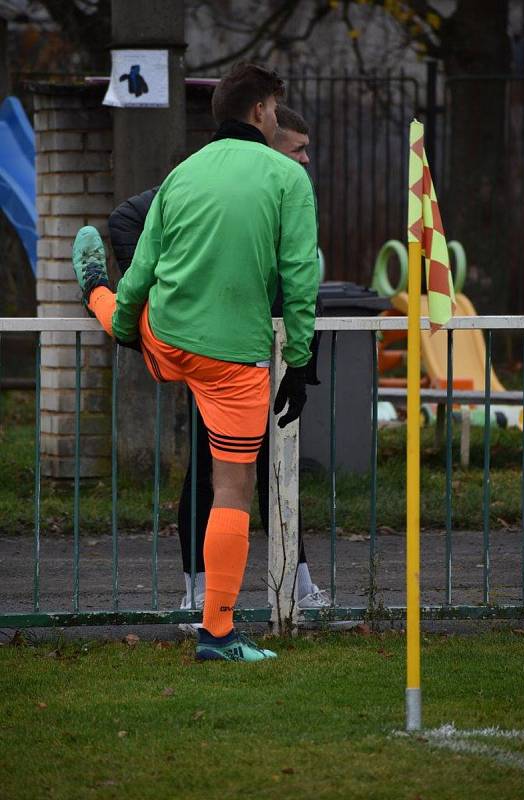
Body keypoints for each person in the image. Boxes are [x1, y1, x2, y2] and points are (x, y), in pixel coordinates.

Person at [71, 63, 319, 662]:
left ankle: (93, 296)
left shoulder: (180, 174)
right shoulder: (287, 176)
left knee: (126, 309)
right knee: (232, 488)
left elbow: (146, 266)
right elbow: (300, 275)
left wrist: (124, 328)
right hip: (235, 358)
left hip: (172, 339)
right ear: (262, 111)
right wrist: (301, 360)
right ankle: (217, 635)